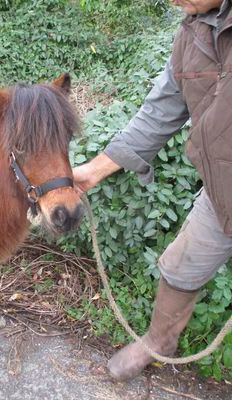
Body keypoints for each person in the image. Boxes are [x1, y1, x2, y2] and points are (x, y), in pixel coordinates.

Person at [73, 0, 232, 381]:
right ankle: (159, 342)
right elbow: (160, 112)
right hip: (222, 192)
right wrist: (94, 171)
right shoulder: (190, 34)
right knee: (180, 267)